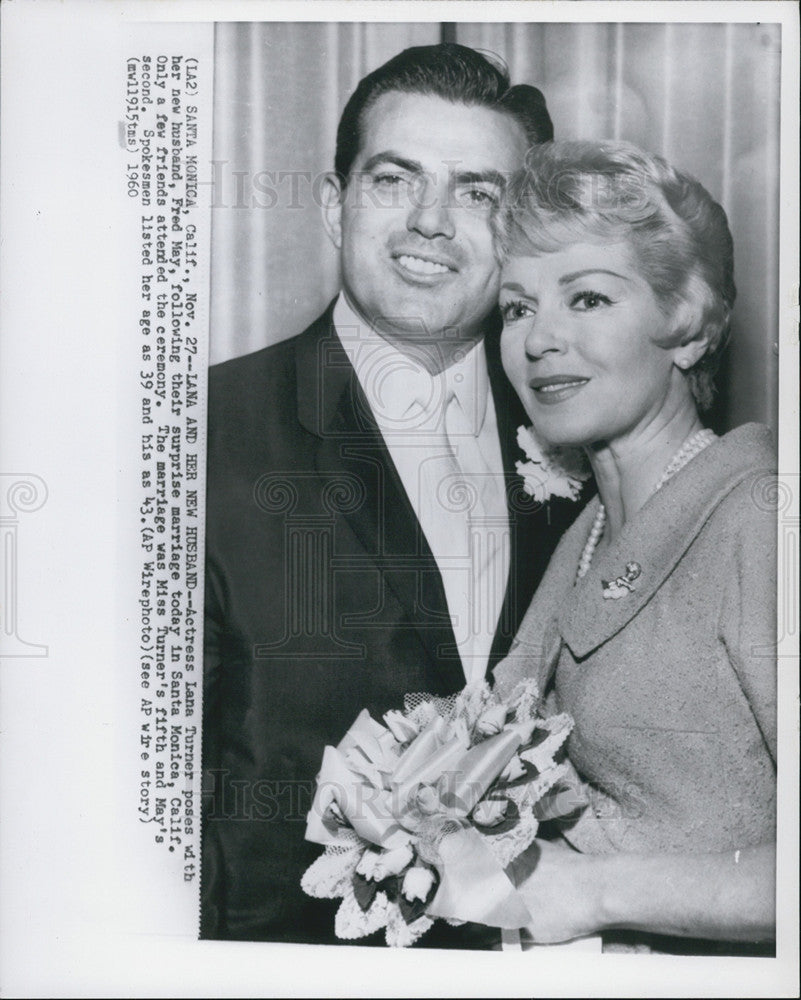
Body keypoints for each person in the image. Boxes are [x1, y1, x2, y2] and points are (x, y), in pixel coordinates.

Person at [202, 44, 572, 946]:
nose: (431, 223)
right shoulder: (200, 433)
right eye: (394, 179)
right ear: (335, 205)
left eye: (478, 193)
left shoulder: (582, 437)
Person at [493, 139, 777, 955]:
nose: (538, 339)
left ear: (685, 321)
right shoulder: (586, 535)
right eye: (516, 308)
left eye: (585, 298)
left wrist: (594, 891)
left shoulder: (758, 515)